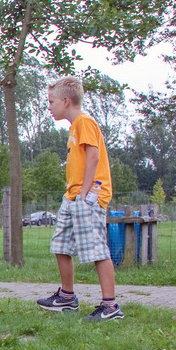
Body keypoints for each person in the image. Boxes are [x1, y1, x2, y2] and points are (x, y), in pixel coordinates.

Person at [37, 76, 122, 321]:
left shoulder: (85, 122)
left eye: (51, 101)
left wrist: (84, 192)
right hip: (72, 195)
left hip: (89, 194)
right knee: (60, 245)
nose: (49, 106)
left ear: (66, 101)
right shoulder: (75, 127)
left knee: (96, 249)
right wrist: (74, 193)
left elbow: (93, 157)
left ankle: (110, 306)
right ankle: (67, 297)